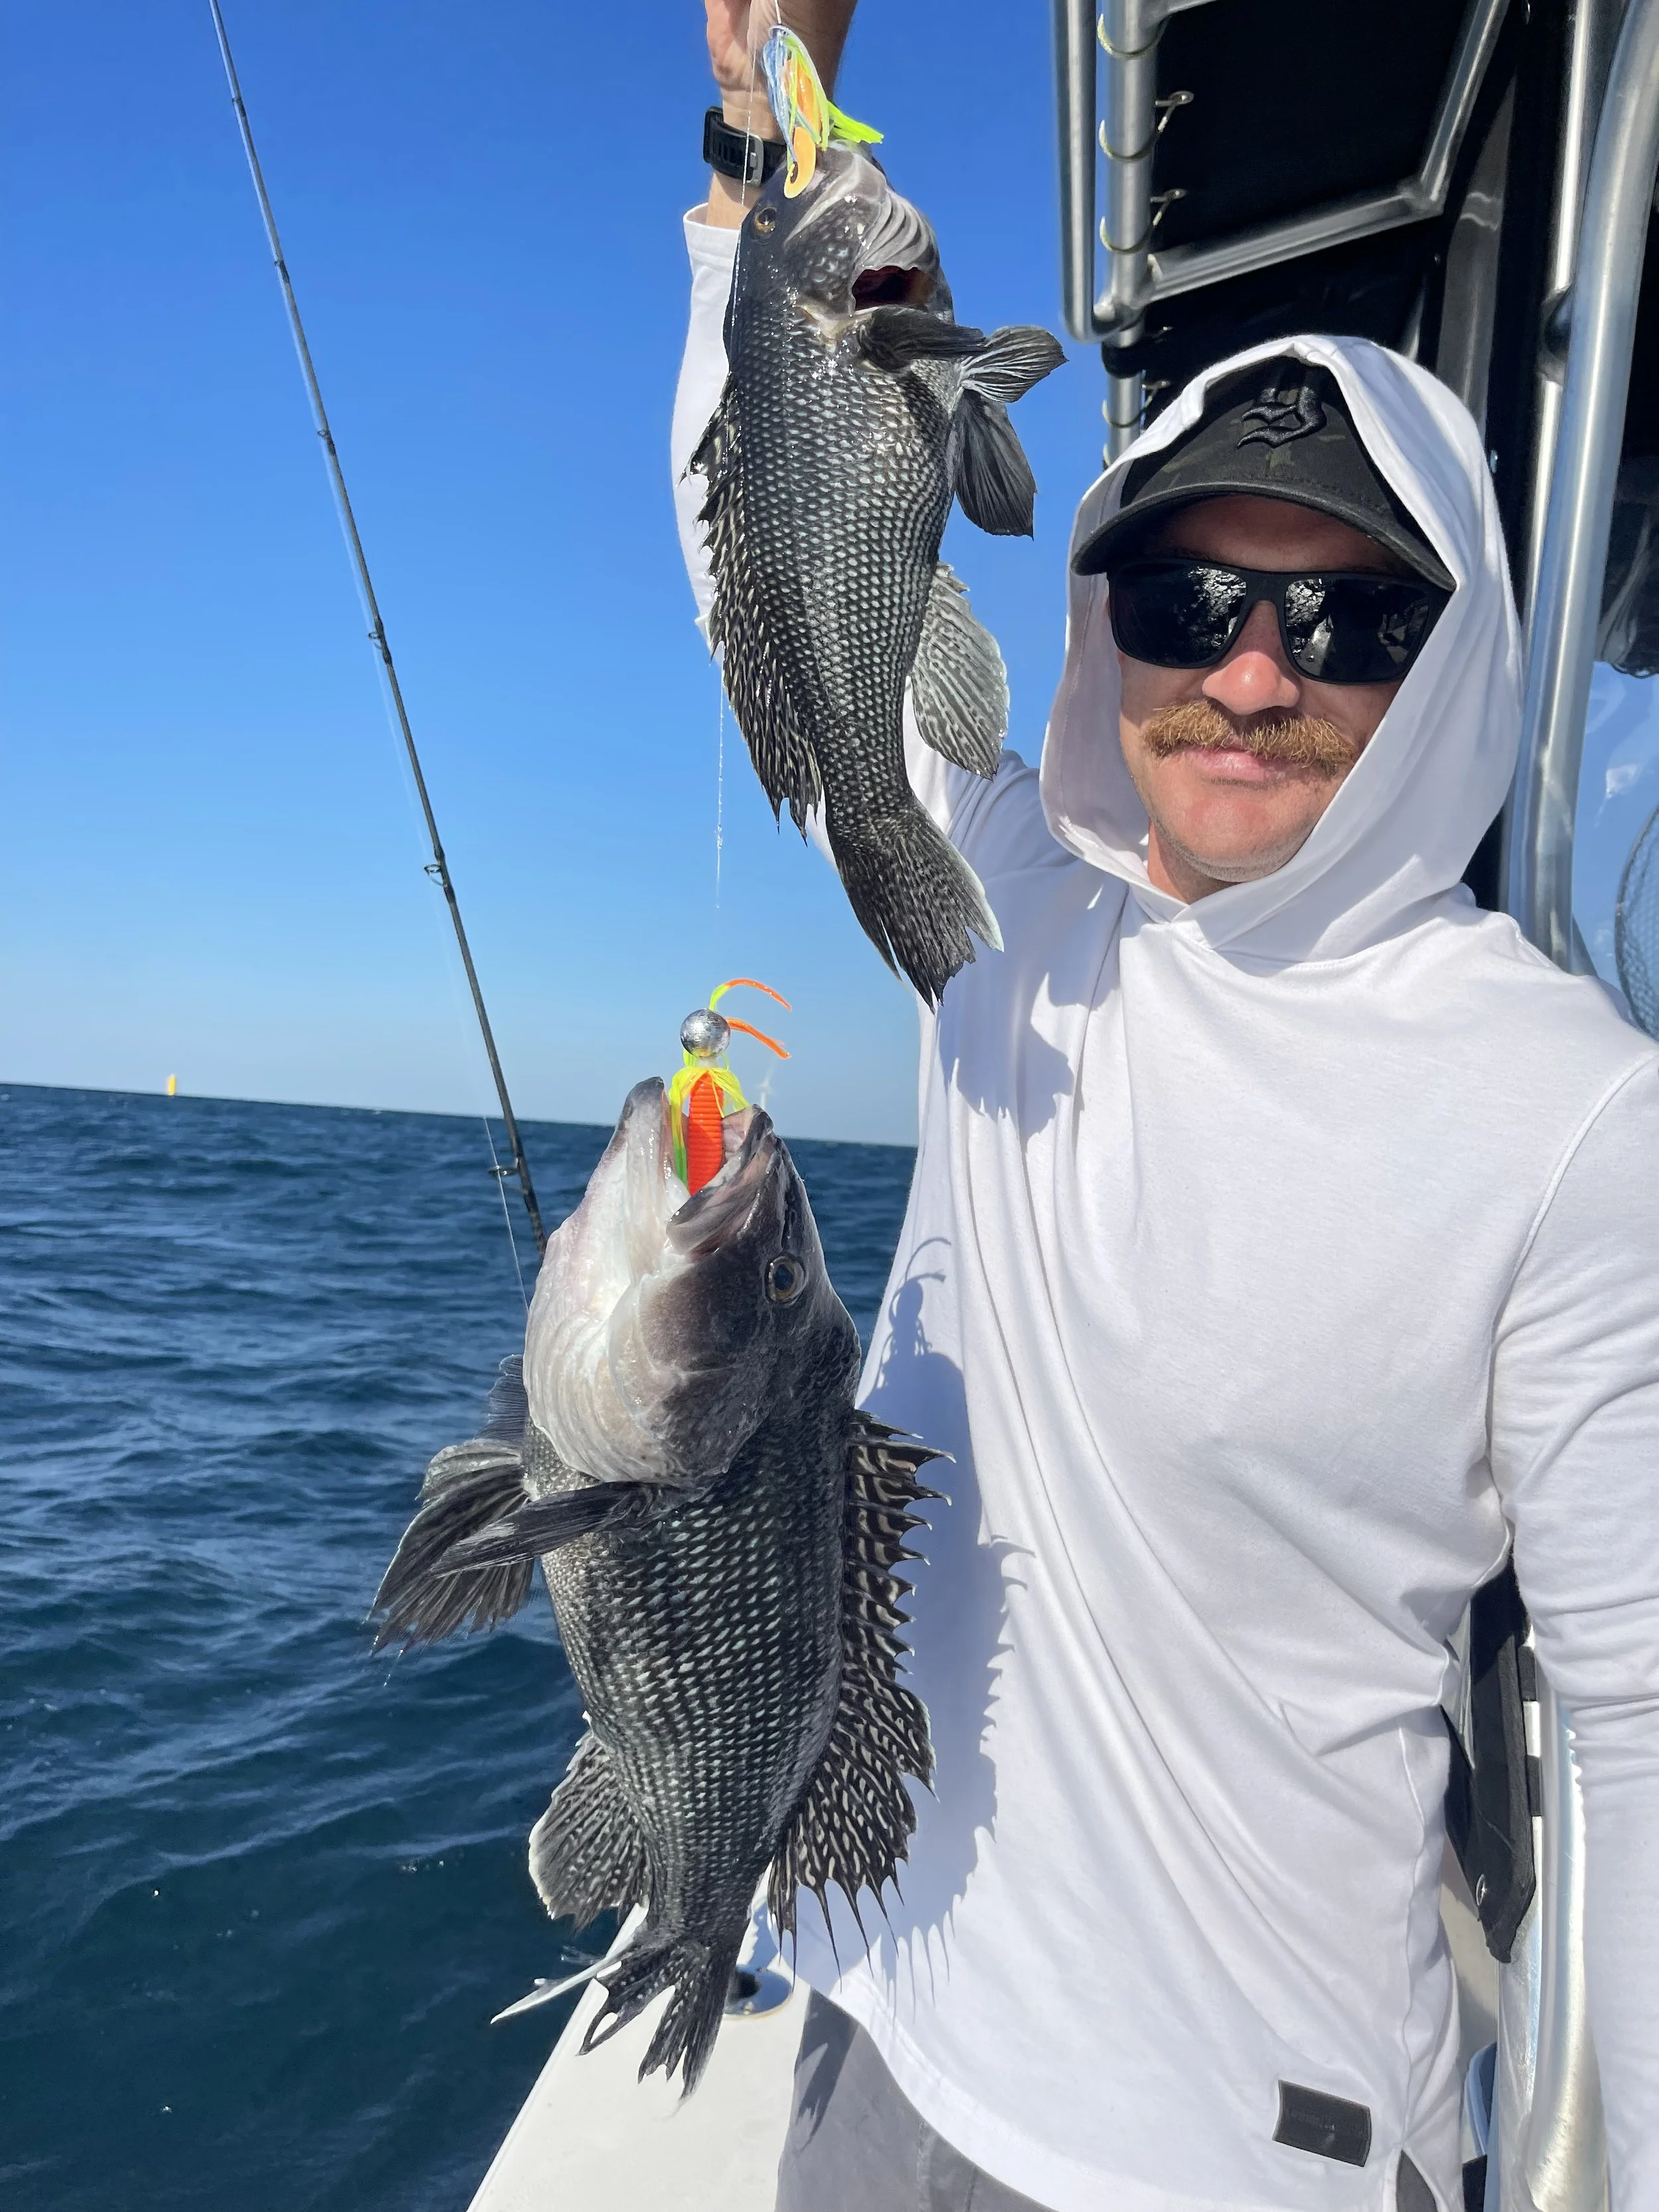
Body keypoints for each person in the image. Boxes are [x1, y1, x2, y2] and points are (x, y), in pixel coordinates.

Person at [674, 7, 1659, 2207]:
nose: (1244, 669)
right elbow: (769, 565)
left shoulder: (1580, 1120)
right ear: (1105, 609)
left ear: (1460, 653)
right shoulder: (1006, 912)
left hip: (1234, 2149)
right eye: (1187, 592)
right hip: (880, 2011)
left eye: (1342, 619)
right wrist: (761, 140)